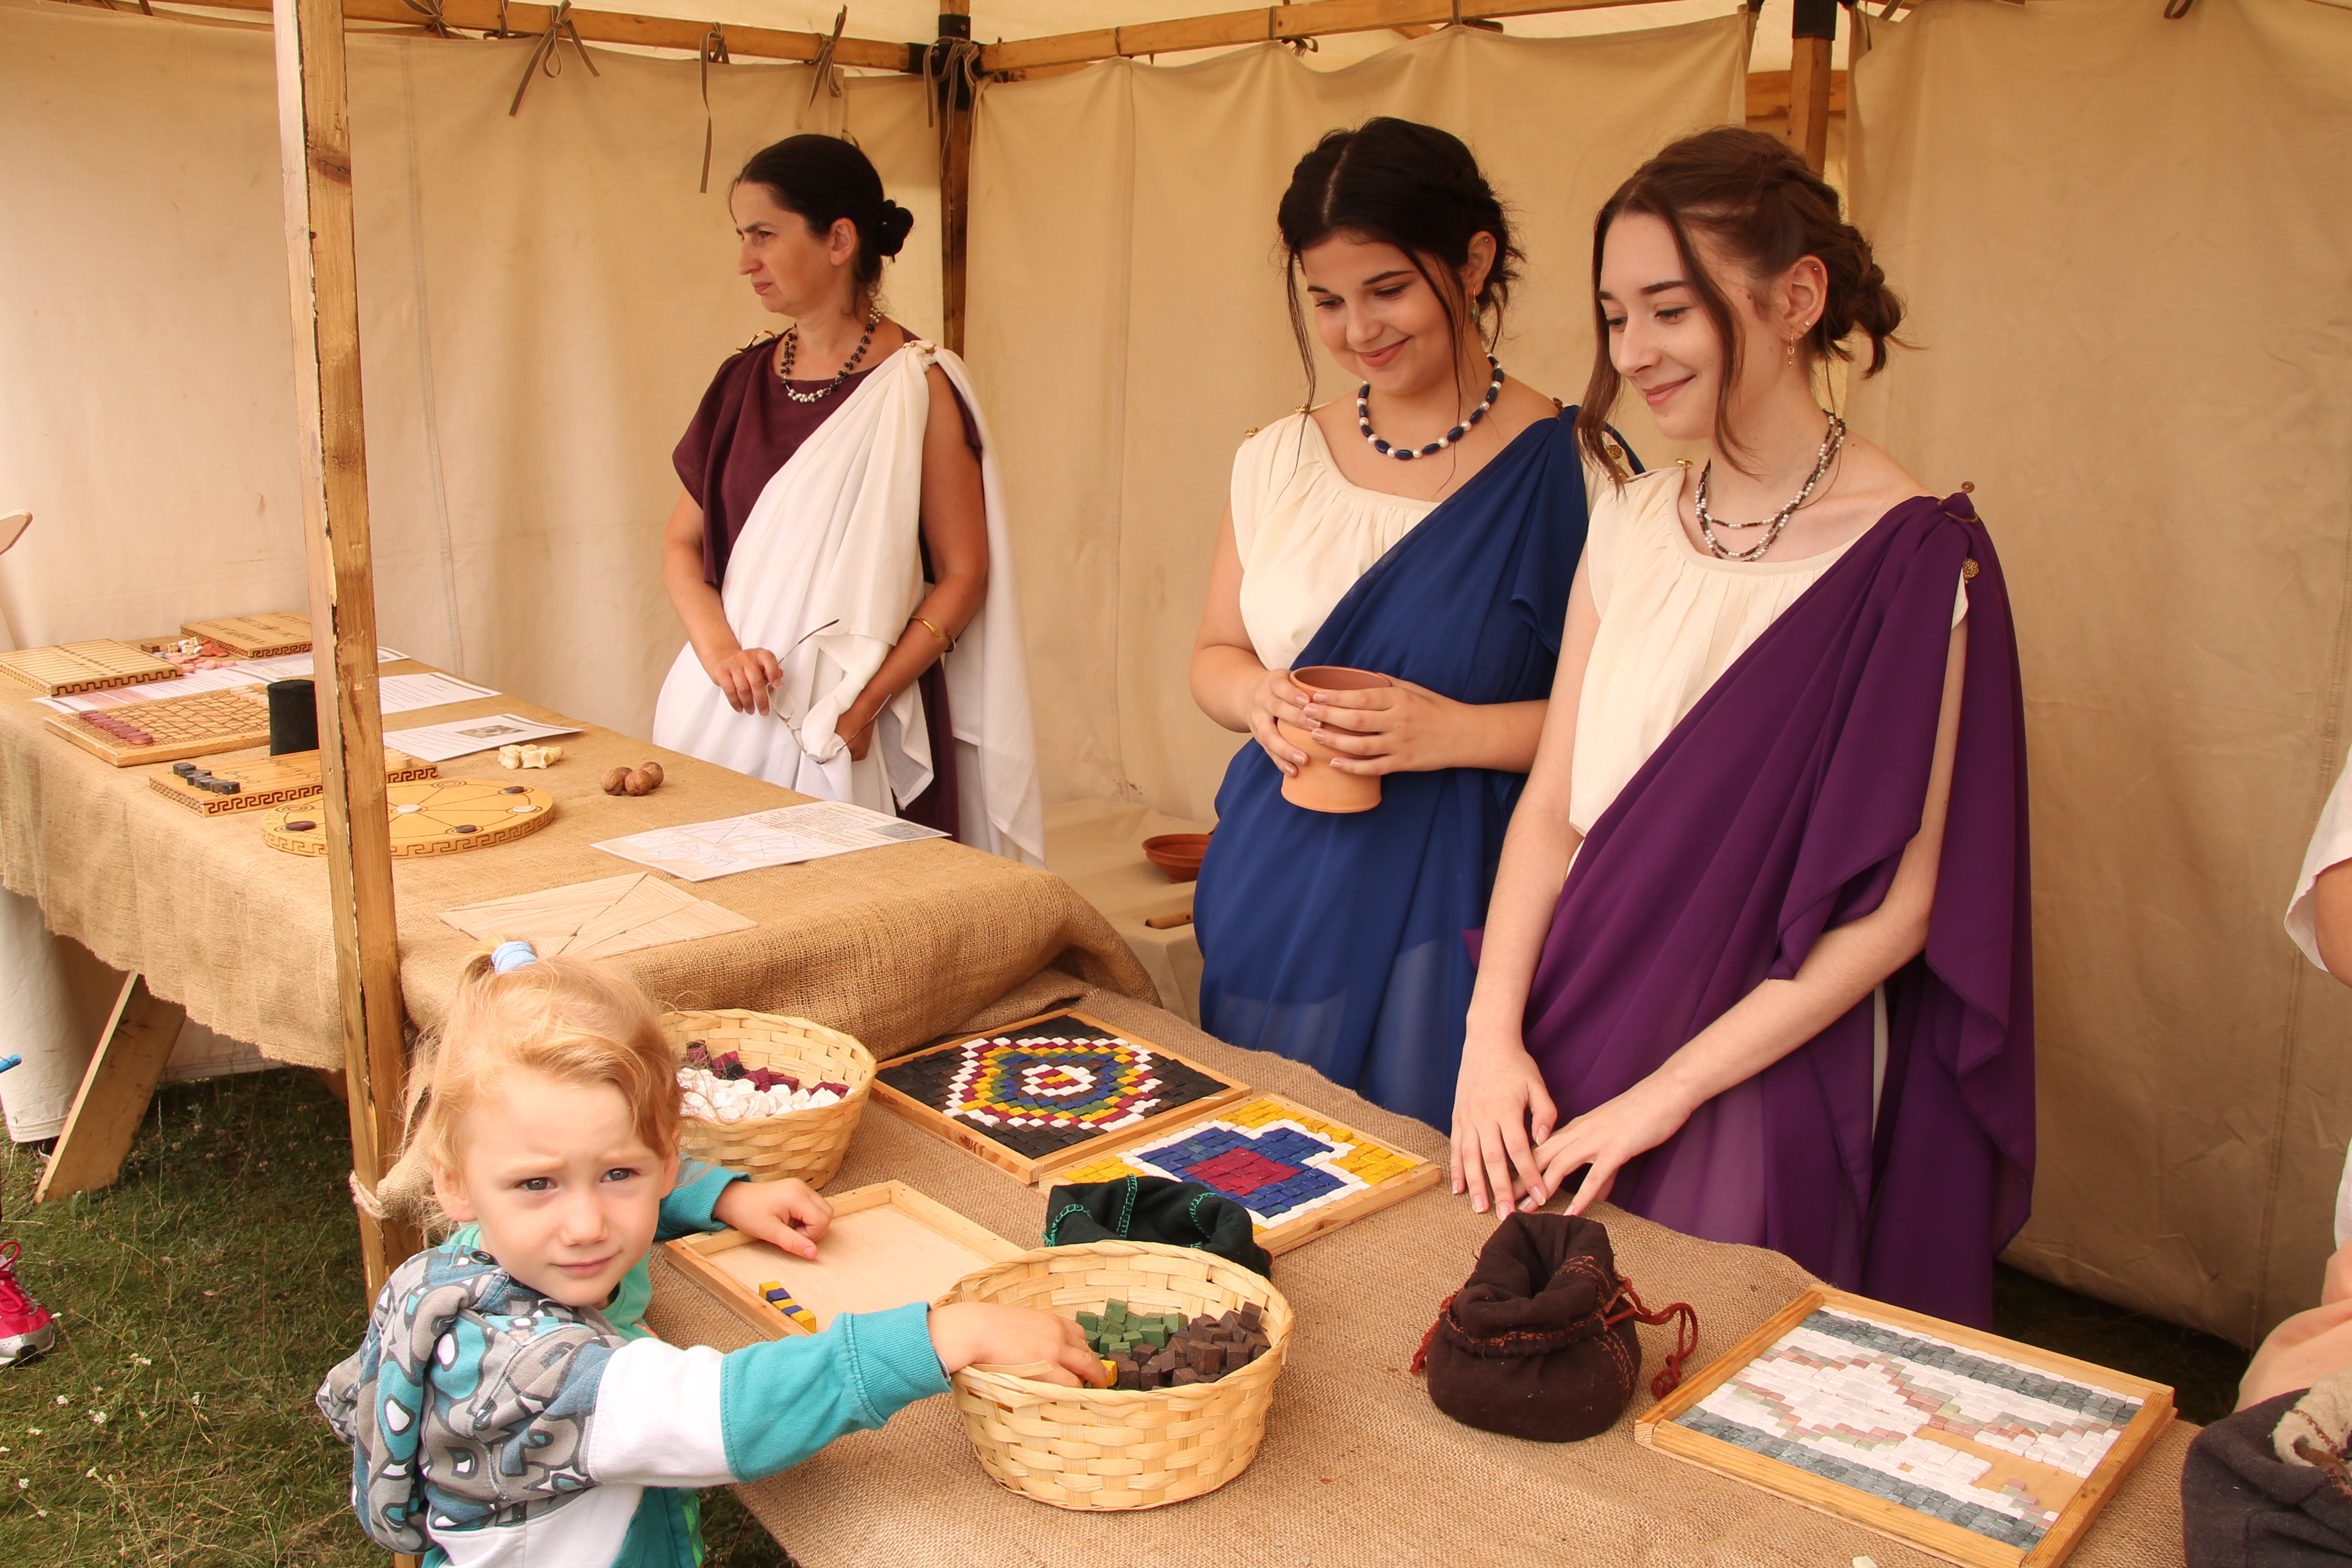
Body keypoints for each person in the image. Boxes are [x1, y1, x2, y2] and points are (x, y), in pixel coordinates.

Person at [1449, 127, 2033, 1327]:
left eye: (1670, 309)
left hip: (1760, 1070)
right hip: (1571, 1011)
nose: (1633, 352)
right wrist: (1489, 1036)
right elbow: (1552, 808)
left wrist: (1668, 1095)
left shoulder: (1919, 559)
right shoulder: (1629, 520)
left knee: (1703, 1357)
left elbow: (1906, 907)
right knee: (1522, 1351)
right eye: (1615, 316)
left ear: (1797, 299)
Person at [317, 940, 1098, 1565]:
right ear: (455, 1185)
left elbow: (602, 1163)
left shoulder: (468, 1258)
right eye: (537, 1185)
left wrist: (718, 1197)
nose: (586, 1224)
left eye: (619, 1176)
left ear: (665, 1161)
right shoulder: (530, 1376)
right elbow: (726, 1414)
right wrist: (938, 1335)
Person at [1188, 118, 1610, 1128]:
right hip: (1276, 875)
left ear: (1474, 261)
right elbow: (1214, 654)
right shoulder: (1276, 458)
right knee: (1259, 1156)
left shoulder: (1583, 473)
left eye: (1387, 290)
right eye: (1327, 300)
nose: (1357, 330)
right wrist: (1258, 697)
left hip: (1471, 894)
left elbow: (1627, 726)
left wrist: (1455, 733)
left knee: (1431, 1176)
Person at [652, 135, 1042, 863]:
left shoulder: (918, 386)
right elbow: (682, 541)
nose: (745, 261)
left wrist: (865, 704)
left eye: (764, 235)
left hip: (857, 726)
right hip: (721, 714)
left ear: (838, 239)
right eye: (742, 237)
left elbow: (965, 574)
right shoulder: (740, 381)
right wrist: (722, 654)